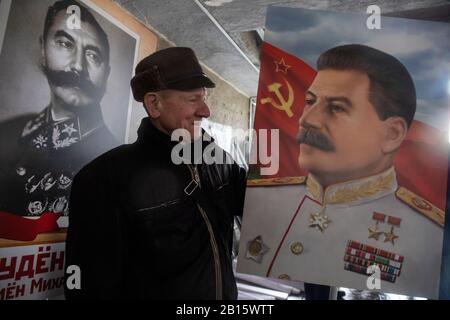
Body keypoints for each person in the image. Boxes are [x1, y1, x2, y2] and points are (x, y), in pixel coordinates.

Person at [237, 44, 445, 299]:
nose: (307, 119)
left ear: (392, 134)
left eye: (336, 107)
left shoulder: (426, 231)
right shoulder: (264, 199)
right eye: (310, 101)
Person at [64, 47, 247, 299]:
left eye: (205, 99)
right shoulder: (103, 178)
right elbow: (88, 285)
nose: (206, 111)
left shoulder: (221, 162)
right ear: (154, 104)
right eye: (193, 100)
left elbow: (261, 207)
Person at [0, 0, 117, 219]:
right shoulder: (7, 131)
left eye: (93, 56)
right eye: (65, 43)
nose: (78, 66)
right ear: (43, 49)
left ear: (107, 74)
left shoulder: (116, 161)